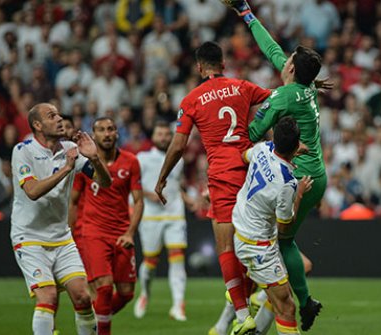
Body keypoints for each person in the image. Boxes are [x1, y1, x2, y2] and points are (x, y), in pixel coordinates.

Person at [154, 41, 271, 335]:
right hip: (252, 169)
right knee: (256, 237)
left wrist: (162, 176)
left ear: (198, 67)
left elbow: (179, 144)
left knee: (226, 246)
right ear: (222, 63)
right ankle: (252, 291)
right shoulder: (243, 86)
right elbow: (276, 100)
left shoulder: (192, 98)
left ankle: (243, 312)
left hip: (223, 175)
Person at [225, 1, 325, 330]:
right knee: (280, 243)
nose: (285, 59)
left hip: (298, 174)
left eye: (290, 60)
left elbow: (252, 132)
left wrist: (228, 127)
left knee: (281, 241)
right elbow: (271, 49)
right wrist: (246, 13)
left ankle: (294, 299)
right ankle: (268, 298)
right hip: (315, 170)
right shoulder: (303, 86)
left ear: (293, 69)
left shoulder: (283, 96)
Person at [11, 103, 111, 335]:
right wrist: (66, 168)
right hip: (29, 237)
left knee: (83, 296)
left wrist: (95, 158)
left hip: (61, 237)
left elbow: (105, 182)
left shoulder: (69, 148)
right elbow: (33, 191)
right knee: (48, 296)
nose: (59, 119)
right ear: (37, 125)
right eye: (51, 115)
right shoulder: (23, 150)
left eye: (58, 114)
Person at [233, 117, 313, 335]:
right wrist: (299, 193)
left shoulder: (262, 149)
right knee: (287, 307)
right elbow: (285, 227)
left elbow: (244, 156)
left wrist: (289, 152)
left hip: (242, 230)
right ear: (296, 145)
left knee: (281, 295)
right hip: (258, 247)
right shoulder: (287, 183)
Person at [69, 117, 144, 335]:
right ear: (94, 135)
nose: (107, 134)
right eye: (101, 130)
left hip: (121, 233)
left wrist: (130, 233)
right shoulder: (85, 164)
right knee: (104, 286)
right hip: (93, 232)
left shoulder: (131, 161)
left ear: (117, 133)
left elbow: (139, 201)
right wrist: (71, 233)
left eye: (110, 129)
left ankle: (91, 318)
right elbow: (73, 201)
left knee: (126, 293)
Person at [134, 122, 189, 321]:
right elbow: (133, 185)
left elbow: (175, 184)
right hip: (151, 215)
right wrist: (149, 195)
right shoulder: (142, 159)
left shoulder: (178, 159)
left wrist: (186, 198)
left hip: (174, 214)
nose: (164, 137)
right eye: (160, 134)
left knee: (177, 258)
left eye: (167, 134)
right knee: (150, 262)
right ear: (153, 136)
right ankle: (145, 294)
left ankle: (178, 305)